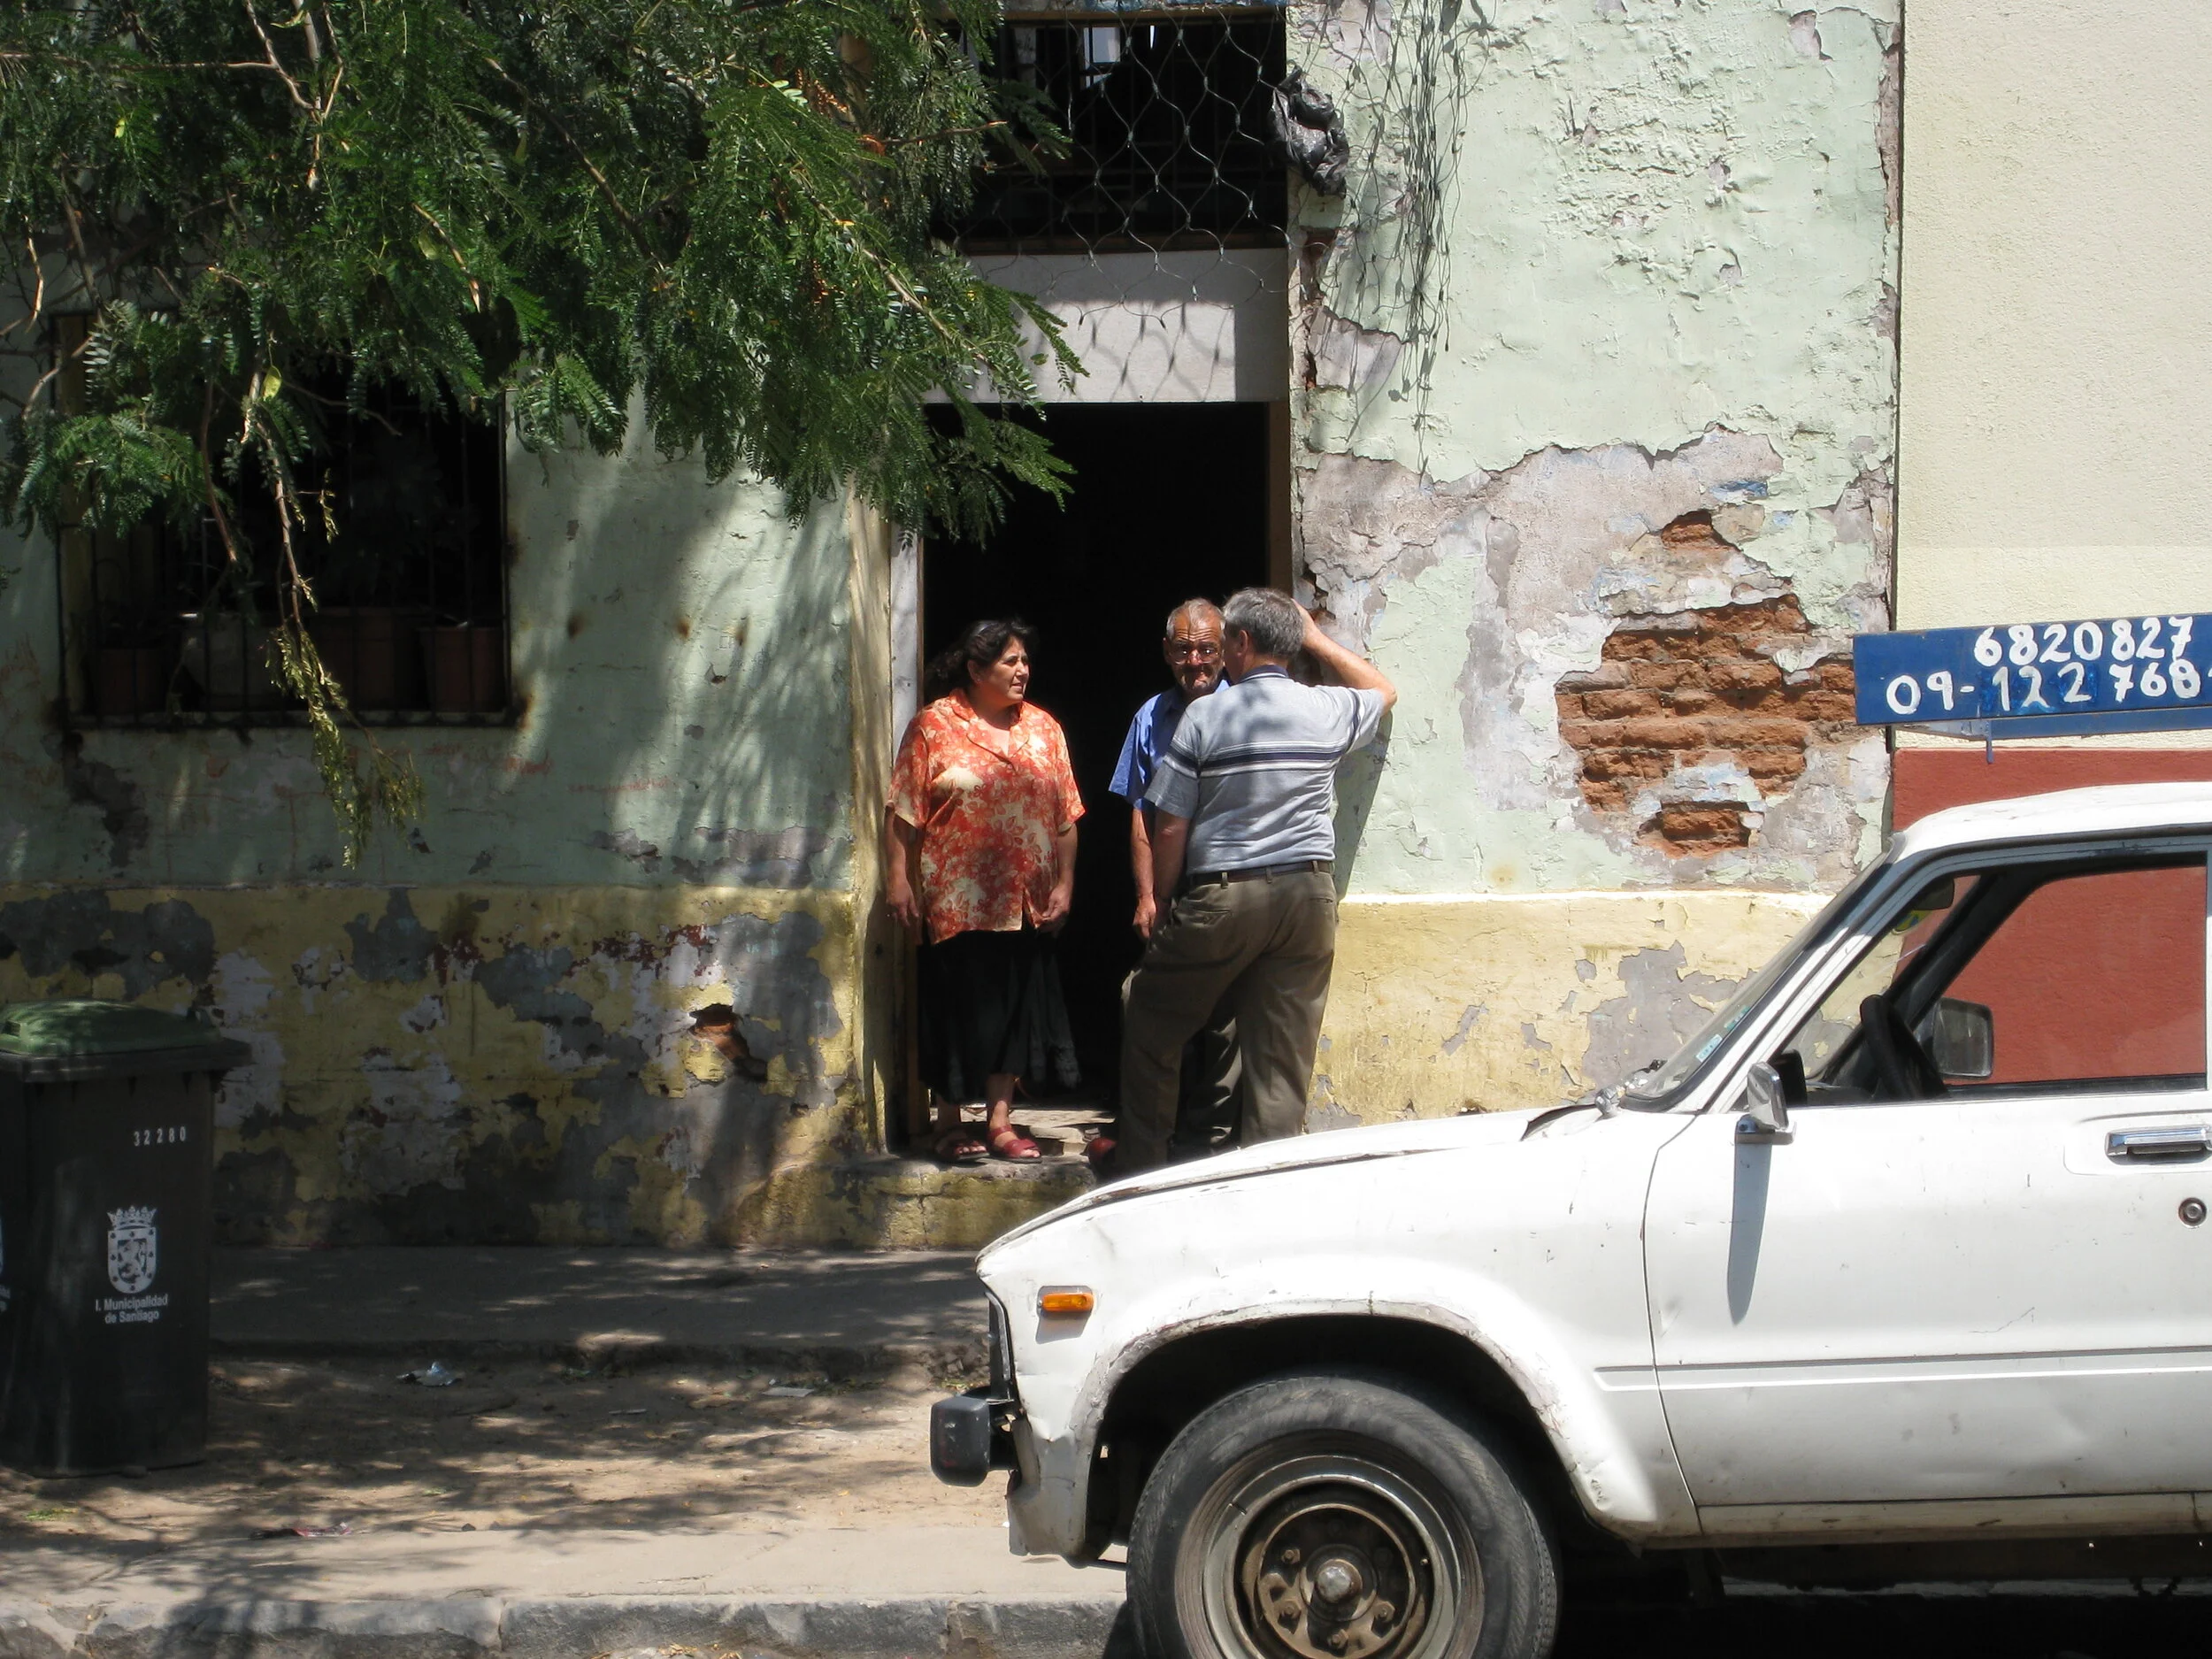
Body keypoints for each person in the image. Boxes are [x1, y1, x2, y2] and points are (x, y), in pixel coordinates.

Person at [1107, 588, 1396, 1178]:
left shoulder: (1208, 715)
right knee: (1280, 1063)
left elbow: (1169, 827)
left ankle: (1144, 1170)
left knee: (1148, 1013)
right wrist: (1312, 637)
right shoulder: (1325, 709)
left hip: (1227, 893)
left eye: (1223, 643)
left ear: (1239, 643)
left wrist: (1159, 898)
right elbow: (1383, 690)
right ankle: (1269, 1191)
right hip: (1309, 899)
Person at [886, 619, 1084, 1164]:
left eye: (1024, 661)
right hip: (957, 897)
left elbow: (1066, 815)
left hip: (1026, 898)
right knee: (957, 1006)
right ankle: (951, 1121)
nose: (1022, 671)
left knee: (1017, 1009)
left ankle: (999, 1121)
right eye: (1009, 663)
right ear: (976, 671)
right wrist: (898, 881)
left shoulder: (1043, 728)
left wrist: (1065, 884)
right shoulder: (934, 725)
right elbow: (903, 811)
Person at [1086, 599, 1240, 1170]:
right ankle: (1152, 1140)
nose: (1195, 661)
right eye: (1183, 649)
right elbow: (1140, 811)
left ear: (1227, 651)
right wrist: (1148, 895)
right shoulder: (1151, 715)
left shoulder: (1245, 708)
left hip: (1225, 884)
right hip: (1172, 893)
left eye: (1206, 649)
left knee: (1226, 1018)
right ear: (1167, 652)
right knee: (1142, 1003)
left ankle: (1212, 1141)